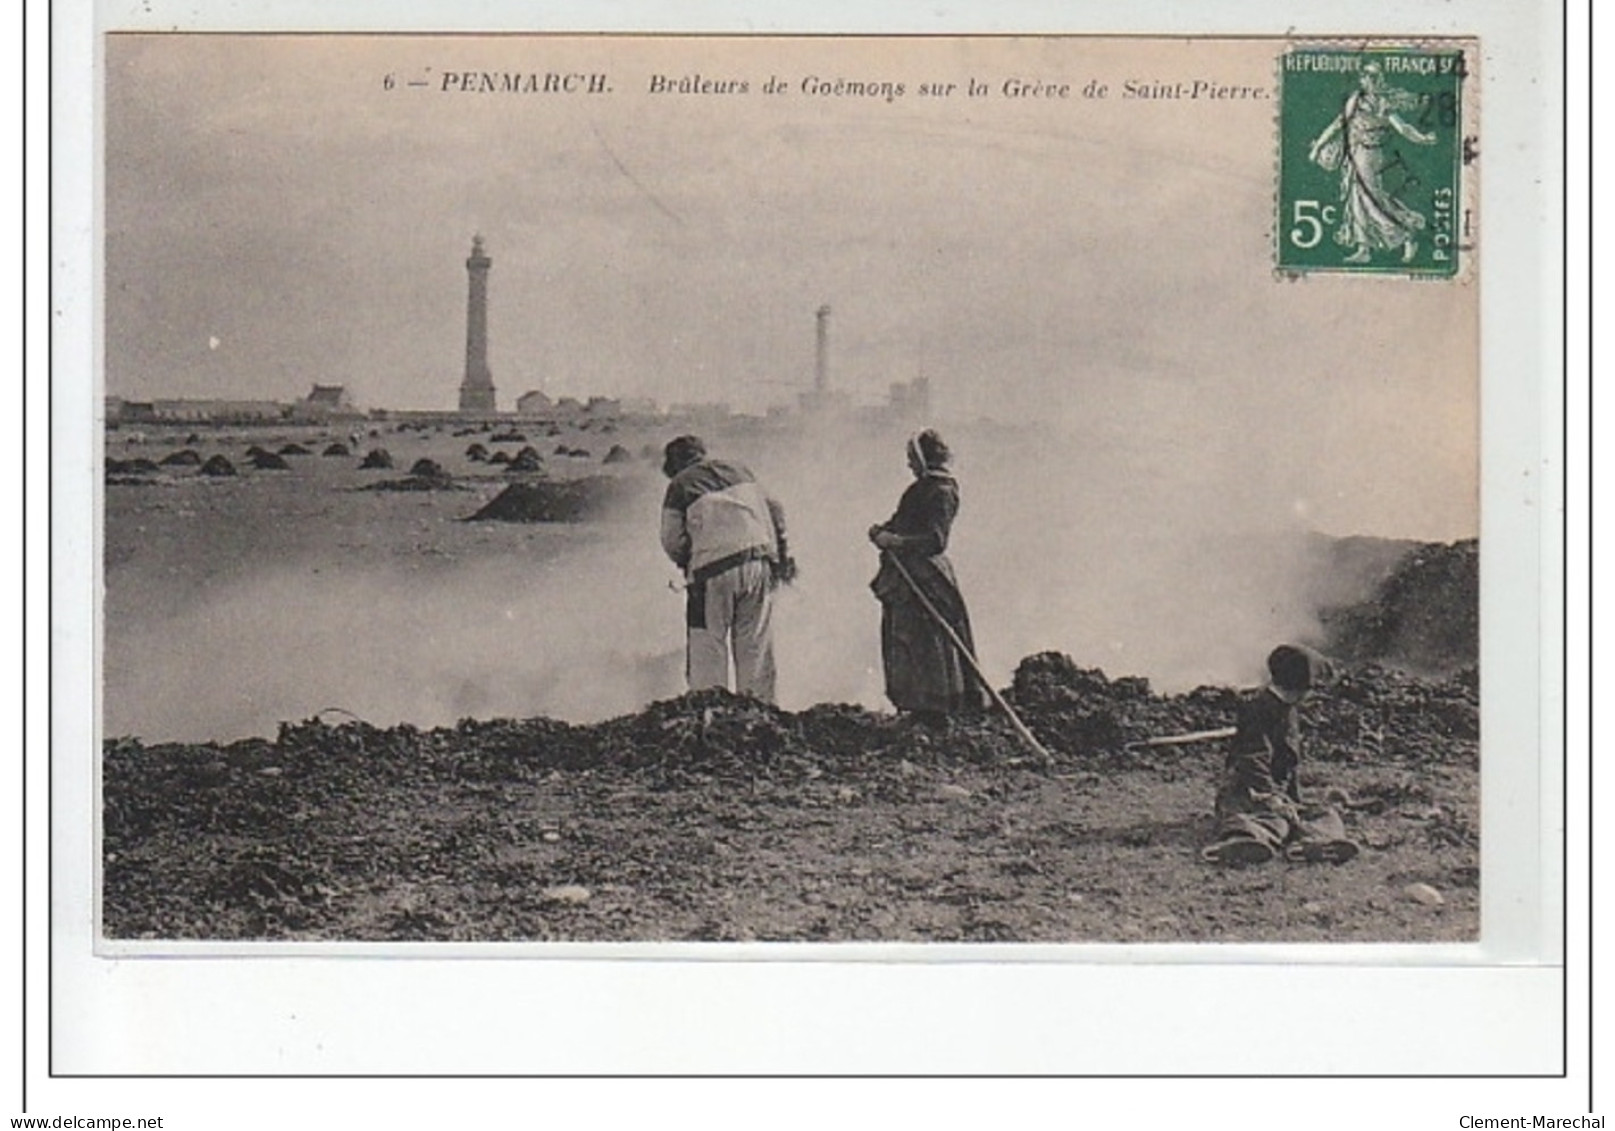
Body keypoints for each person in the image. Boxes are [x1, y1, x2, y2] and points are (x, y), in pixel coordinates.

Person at [659, 435, 792, 703]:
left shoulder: (679, 484)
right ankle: (759, 712)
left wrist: (687, 560)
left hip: (711, 571)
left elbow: (671, 540)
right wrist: (782, 556)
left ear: (674, 464)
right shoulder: (740, 470)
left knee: (707, 644)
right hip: (759, 562)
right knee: (755, 644)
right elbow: (775, 510)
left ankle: (712, 711)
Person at [1201, 644, 1360, 866]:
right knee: (1273, 820)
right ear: (1300, 687)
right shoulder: (1256, 709)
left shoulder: (1289, 711)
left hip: (1279, 794)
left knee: (1324, 814)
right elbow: (1252, 759)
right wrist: (1272, 798)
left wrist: (1292, 801)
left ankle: (1316, 843)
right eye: (1312, 688)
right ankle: (1243, 842)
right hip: (1248, 792)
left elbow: (1288, 765)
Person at [867, 429, 988, 723]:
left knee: (927, 640)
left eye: (912, 458)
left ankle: (934, 708)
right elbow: (900, 520)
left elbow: (936, 540)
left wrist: (895, 542)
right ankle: (917, 705)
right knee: (909, 638)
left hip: (926, 576)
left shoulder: (940, 491)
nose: (909, 464)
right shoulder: (921, 488)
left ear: (925, 458)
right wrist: (881, 531)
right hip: (909, 574)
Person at [1307, 62, 1439, 264]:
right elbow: (1339, 124)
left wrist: (1422, 139)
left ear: (1377, 80)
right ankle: (1364, 248)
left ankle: (1406, 233)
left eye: (1371, 77)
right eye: (1365, 77)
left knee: (1371, 200)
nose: (1367, 81)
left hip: (1370, 155)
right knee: (1356, 199)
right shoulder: (1357, 100)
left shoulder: (1384, 103)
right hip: (1356, 151)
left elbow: (1402, 128)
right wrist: (1318, 147)